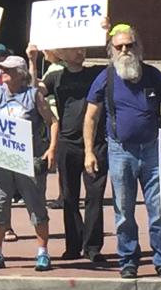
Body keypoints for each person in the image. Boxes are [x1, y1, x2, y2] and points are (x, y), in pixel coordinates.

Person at [83, 25, 161, 280]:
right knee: (123, 211)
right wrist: (89, 152)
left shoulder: (153, 75)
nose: (125, 50)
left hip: (153, 151)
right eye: (119, 47)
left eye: (129, 45)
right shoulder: (105, 78)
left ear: (138, 48)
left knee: (159, 210)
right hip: (120, 151)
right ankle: (128, 260)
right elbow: (91, 117)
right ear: (111, 51)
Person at [0, 55, 57, 272]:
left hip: (28, 161)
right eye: (1, 69)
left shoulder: (33, 95)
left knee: (36, 207)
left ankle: (43, 253)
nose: (2, 72)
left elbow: (53, 121)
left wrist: (51, 149)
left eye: (7, 69)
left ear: (20, 73)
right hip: (1, 162)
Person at [32, 43, 107, 262]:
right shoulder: (56, 77)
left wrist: (105, 33)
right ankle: (73, 245)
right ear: (61, 53)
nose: (80, 52)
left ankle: (93, 248)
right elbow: (35, 92)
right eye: (74, 49)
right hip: (68, 142)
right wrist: (32, 59)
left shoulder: (96, 73)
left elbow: (115, 65)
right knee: (69, 196)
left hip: (95, 142)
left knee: (95, 196)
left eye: (83, 48)